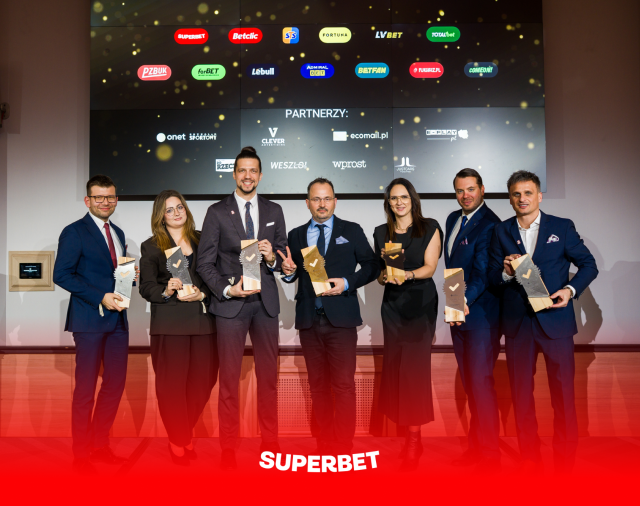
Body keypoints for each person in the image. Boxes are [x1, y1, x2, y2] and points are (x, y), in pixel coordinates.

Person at [488, 170, 598, 473]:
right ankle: (530, 458)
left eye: (528, 193)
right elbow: (492, 277)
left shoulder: (561, 227)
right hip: (518, 325)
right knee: (521, 396)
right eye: (516, 194)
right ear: (510, 198)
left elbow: (589, 265)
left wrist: (569, 290)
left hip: (556, 323)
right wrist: (505, 273)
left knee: (563, 396)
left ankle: (564, 463)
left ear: (539, 195)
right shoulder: (500, 230)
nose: (522, 199)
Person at [197, 146, 287, 470]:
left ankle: (271, 443)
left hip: (265, 305)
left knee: (269, 379)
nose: (248, 176)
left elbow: (281, 257)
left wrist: (273, 257)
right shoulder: (216, 212)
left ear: (260, 175)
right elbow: (204, 263)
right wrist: (226, 289)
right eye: (242, 170)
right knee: (229, 380)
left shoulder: (274, 210)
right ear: (234, 174)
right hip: (231, 306)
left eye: (253, 171)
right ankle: (228, 447)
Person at [279, 177, 379, 456]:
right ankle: (324, 444)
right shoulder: (296, 235)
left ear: (335, 201)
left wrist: (347, 282)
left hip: (341, 321)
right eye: (316, 199)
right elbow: (291, 272)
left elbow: (372, 266)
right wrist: (287, 272)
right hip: (309, 321)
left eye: (326, 198)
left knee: (344, 386)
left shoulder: (351, 230)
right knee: (318, 387)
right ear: (307, 203)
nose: (321, 204)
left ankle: (344, 447)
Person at [53, 175, 135, 474]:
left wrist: (129, 279)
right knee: (85, 390)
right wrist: (100, 296)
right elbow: (62, 274)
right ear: (88, 200)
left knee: (115, 386)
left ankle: (99, 446)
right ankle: (81, 455)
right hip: (88, 321)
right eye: (99, 197)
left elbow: (112, 273)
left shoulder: (118, 232)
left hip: (118, 321)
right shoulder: (73, 231)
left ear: (116, 200)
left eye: (110, 197)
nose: (105, 202)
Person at [139, 190, 217, 467]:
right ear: (161, 216)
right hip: (170, 324)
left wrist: (203, 294)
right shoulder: (151, 246)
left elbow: (215, 277)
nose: (175, 213)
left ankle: (182, 432)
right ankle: (179, 439)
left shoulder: (204, 239)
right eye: (169, 209)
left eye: (179, 207)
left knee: (204, 382)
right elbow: (146, 287)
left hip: (204, 322)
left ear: (186, 210)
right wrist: (166, 289)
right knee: (171, 387)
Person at [372, 178, 443, 471]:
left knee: (414, 372)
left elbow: (430, 268)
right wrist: (385, 275)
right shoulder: (381, 232)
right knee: (396, 369)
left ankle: (414, 440)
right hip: (392, 306)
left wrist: (407, 275)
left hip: (420, 304)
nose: (399, 202)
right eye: (393, 198)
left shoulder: (429, 227)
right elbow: (380, 275)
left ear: (412, 199)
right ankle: (407, 435)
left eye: (403, 197)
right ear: (388, 203)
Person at [444, 168, 502, 471]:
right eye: (460, 190)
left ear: (482, 189)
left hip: (481, 316)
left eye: (470, 189)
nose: (465, 195)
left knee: (481, 385)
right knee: (471, 385)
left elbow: (482, 273)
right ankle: (477, 449)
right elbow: (454, 268)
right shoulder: (453, 219)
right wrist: (454, 306)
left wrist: (463, 301)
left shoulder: (491, 224)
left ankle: (490, 457)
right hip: (459, 312)